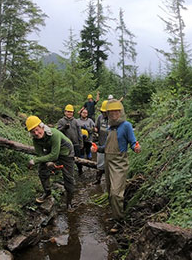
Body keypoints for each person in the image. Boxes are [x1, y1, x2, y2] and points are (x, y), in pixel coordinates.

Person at [91, 99, 141, 231]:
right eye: (111, 111)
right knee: (109, 191)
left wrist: (136, 147)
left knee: (116, 193)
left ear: (120, 112)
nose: (114, 113)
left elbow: (132, 142)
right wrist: (98, 149)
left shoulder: (126, 125)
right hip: (108, 162)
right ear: (108, 113)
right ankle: (114, 215)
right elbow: (106, 147)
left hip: (119, 163)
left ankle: (119, 221)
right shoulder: (110, 127)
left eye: (116, 111)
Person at [26, 115, 76, 210]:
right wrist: (47, 163)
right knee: (42, 170)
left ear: (42, 127)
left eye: (37, 129)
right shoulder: (35, 139)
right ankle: (47, 192)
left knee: (68, 177)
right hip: (52, 150)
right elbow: (40, 154)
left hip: (66, 152)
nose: (36, 133)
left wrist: (34, 161)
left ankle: (69, 202)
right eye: (33, 132)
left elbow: (54, 156)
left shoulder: (54, 134)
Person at [57, 104, 84, 175]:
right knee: (67, 160)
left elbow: (80, 133)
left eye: (71, 112)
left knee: (78, 160)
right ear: (65, 112)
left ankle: (80, 171)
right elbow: (57, 132)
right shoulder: (61, 121)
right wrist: (64, 127)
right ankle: (67, 173)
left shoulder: (76, 121)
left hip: (76, 144)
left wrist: (81, 143)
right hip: (66, 145)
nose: (69, 113)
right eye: (68, 112)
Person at [92, 100, 108, 185]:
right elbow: (96, 127)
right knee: (100, 165)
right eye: (103, 112)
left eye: (105, 112)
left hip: (111, 147)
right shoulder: (99, 117)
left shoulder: (114, 119)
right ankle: (97, 180)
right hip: (101, 144)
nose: (104, 113)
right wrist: (94, 129)